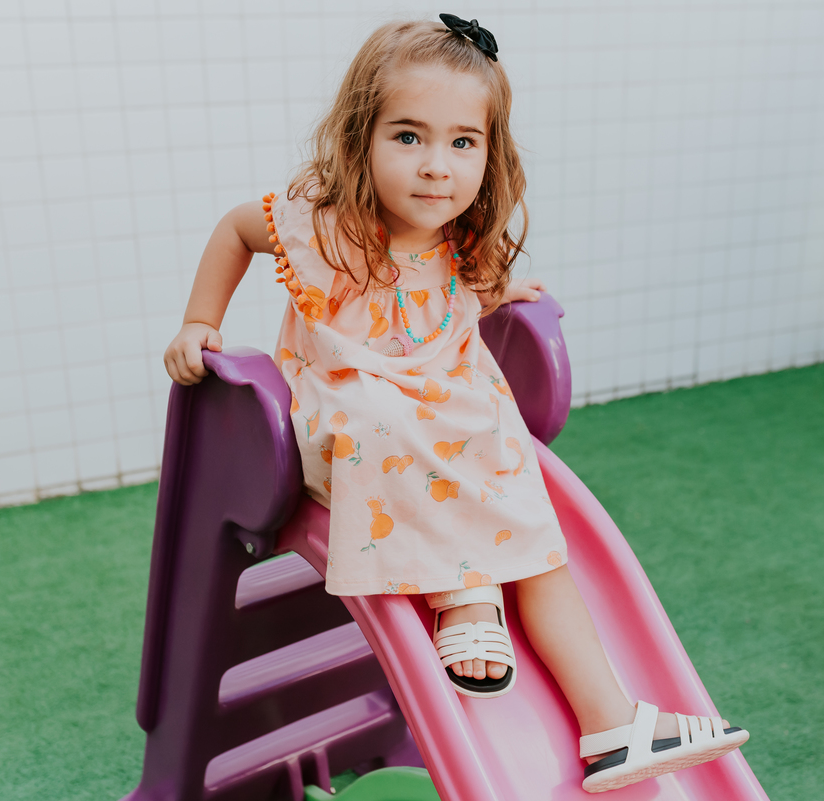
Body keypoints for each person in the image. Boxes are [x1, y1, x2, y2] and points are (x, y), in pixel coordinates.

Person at [162, 14, 747, 793]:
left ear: (488, 153)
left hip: (441, 429)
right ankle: (464, 596)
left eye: (462, 142)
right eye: (408, 137)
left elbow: (450, 303)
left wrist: (505, 291)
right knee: (402, 426)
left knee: (536, 532)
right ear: (361, 137)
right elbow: (237, 229)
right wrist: (202, 320)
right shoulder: (330, 228)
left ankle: (610, 719)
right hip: (347, 425)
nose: (437, 166)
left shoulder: (461, 244)